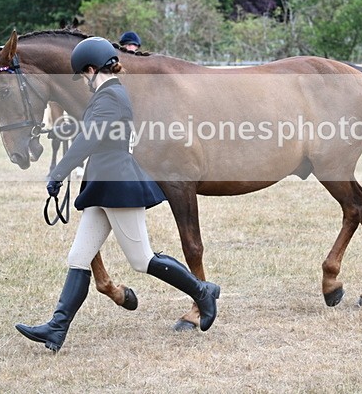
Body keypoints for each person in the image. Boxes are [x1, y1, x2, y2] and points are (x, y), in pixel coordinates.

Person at [15, 37, 220, 352]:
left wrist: (58, 173)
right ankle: (56, 329)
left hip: (118, 185)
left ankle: (202, 292)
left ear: (93, 69)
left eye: (84, 75)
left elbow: (89, 140)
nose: (84, 81)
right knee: (79, 258)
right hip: (102, 184)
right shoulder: (106, 96)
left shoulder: (111, 96)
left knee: (142, 258)